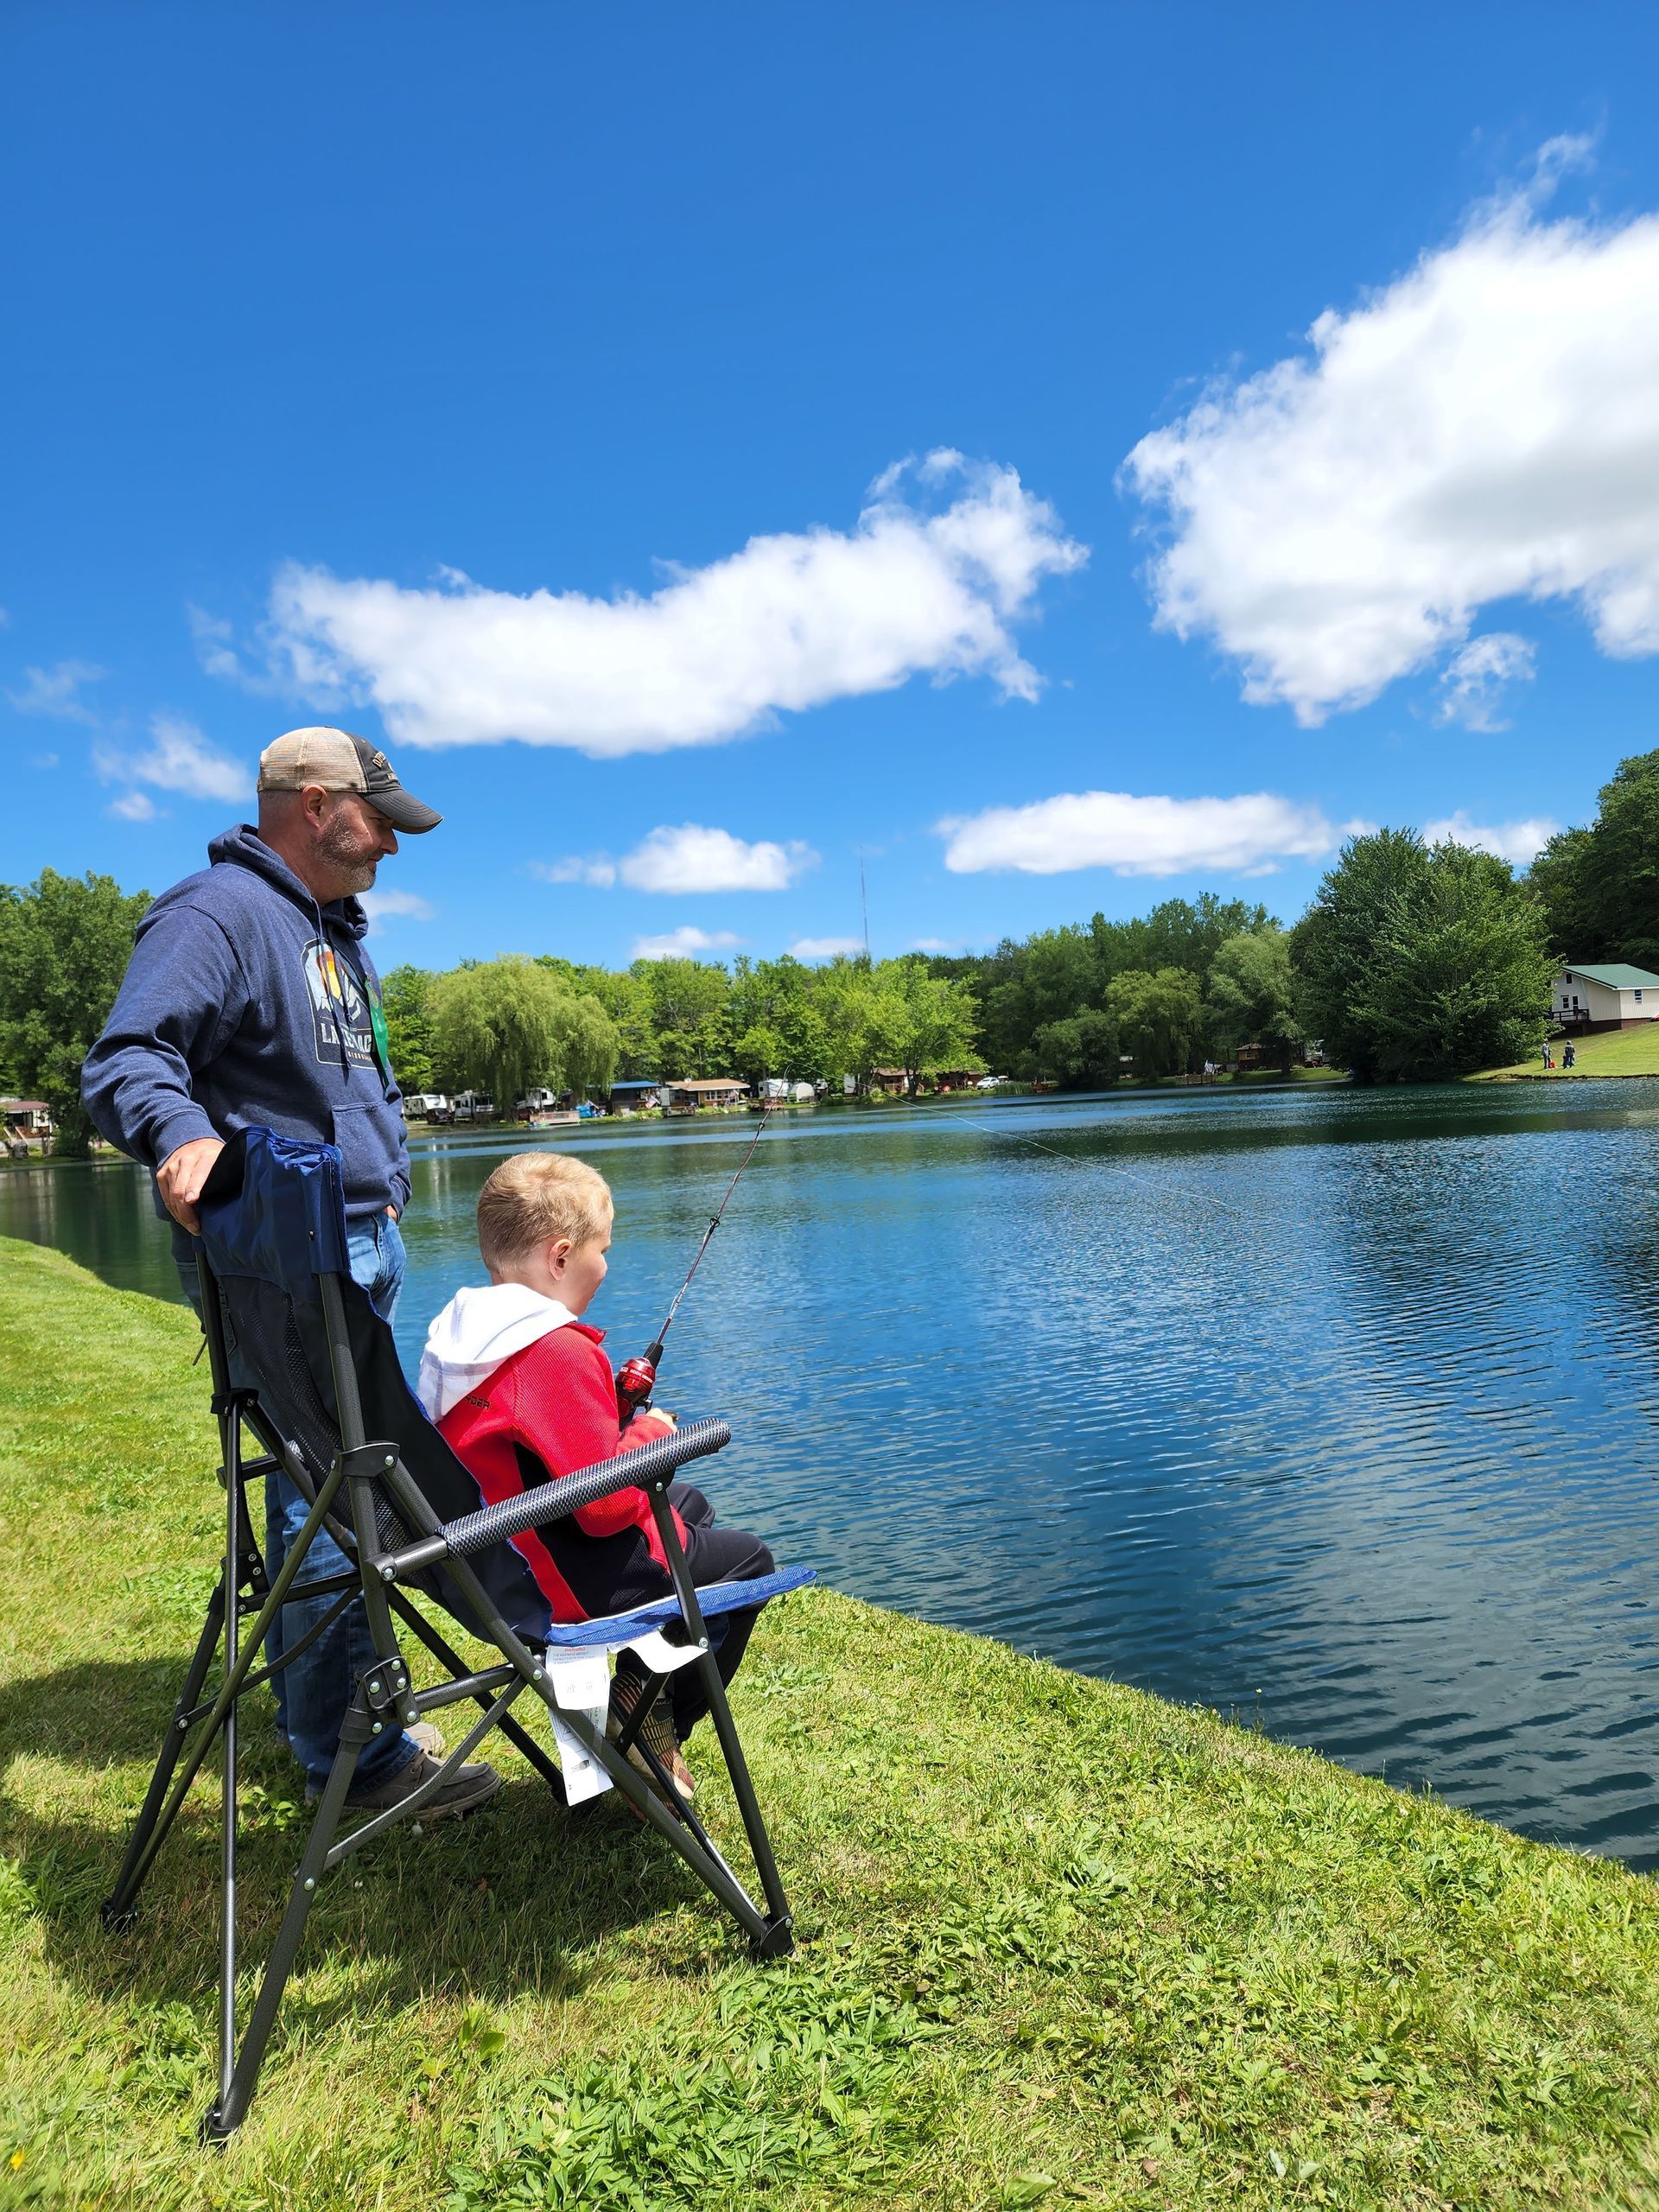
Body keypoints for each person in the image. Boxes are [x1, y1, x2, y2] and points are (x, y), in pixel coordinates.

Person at [82, 726, 499, 1821]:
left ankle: (339, 1721)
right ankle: (353, 1761)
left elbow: (353, 1082)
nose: (392, 849)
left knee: (338, 1487)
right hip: (282, 1255)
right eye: (377, 822)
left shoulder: (334, 930)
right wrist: (180, 1135)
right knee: (329, 1494)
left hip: (363, 1243)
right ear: (315, 805)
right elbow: (127, 1057)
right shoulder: (216, 913)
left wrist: (392, 1172)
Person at [417, 1151, 775, 1802]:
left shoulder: (464, 1331)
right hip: (561, 1581)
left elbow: (525, 1441)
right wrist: (651, 1438)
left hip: (493, 1558)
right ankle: (647, 1717)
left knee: (688, 1505)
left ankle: (644, 1684)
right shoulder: (555, 1349)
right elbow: (604, 1509)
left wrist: (602, 1414)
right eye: (601, 1250)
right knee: (749, 1562)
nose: (606, 1267)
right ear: (559, 1257)